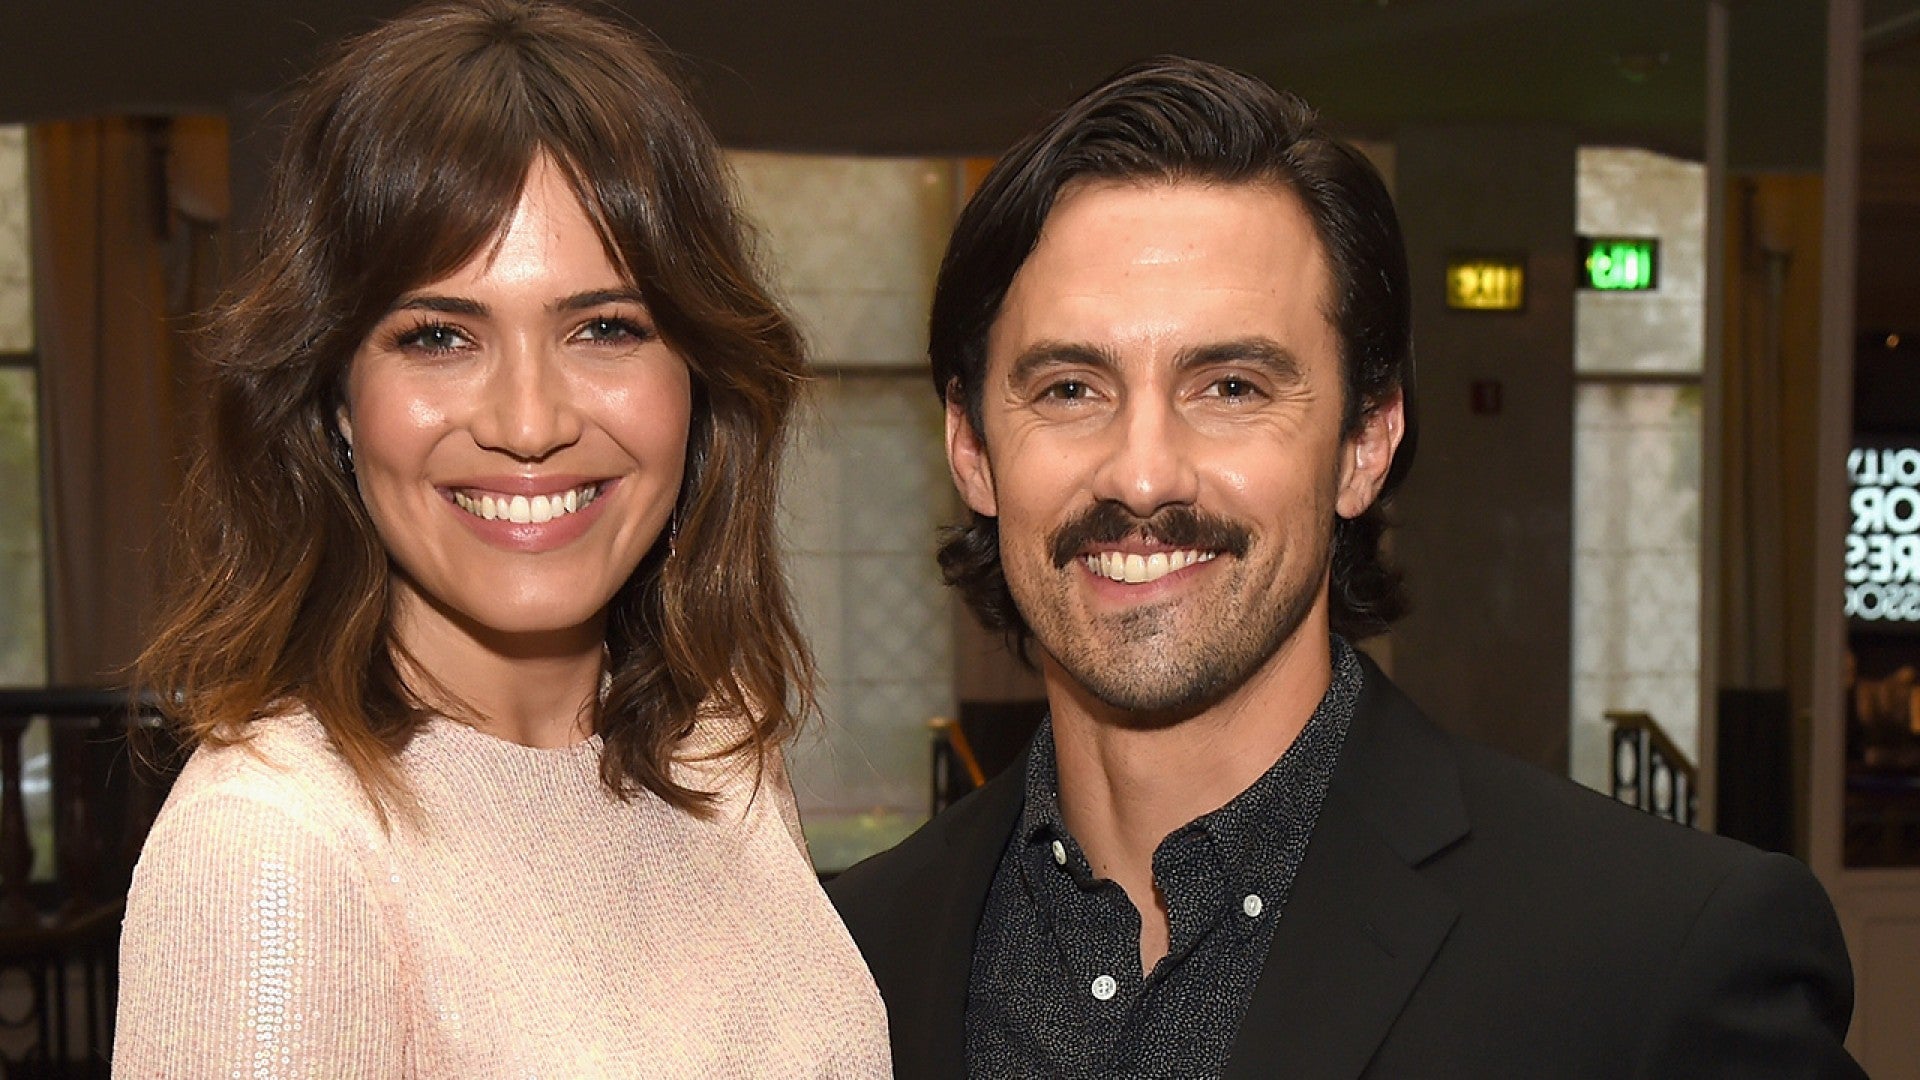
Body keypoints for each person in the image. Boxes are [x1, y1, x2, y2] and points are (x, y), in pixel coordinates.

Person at [827, 56, 1864, 1079]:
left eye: (1231, 387)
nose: (1142, 475)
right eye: (1068, 389)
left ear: (1365, 444)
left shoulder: (1653, 959)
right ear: (972, 447)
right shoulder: (847, 962)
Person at [114, 2, 889, 1075]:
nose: (529, 422)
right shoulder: (274, 855)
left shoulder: (718, 746)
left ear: (697, 379)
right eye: (439, 336)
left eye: (605, 328)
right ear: (336, 400)